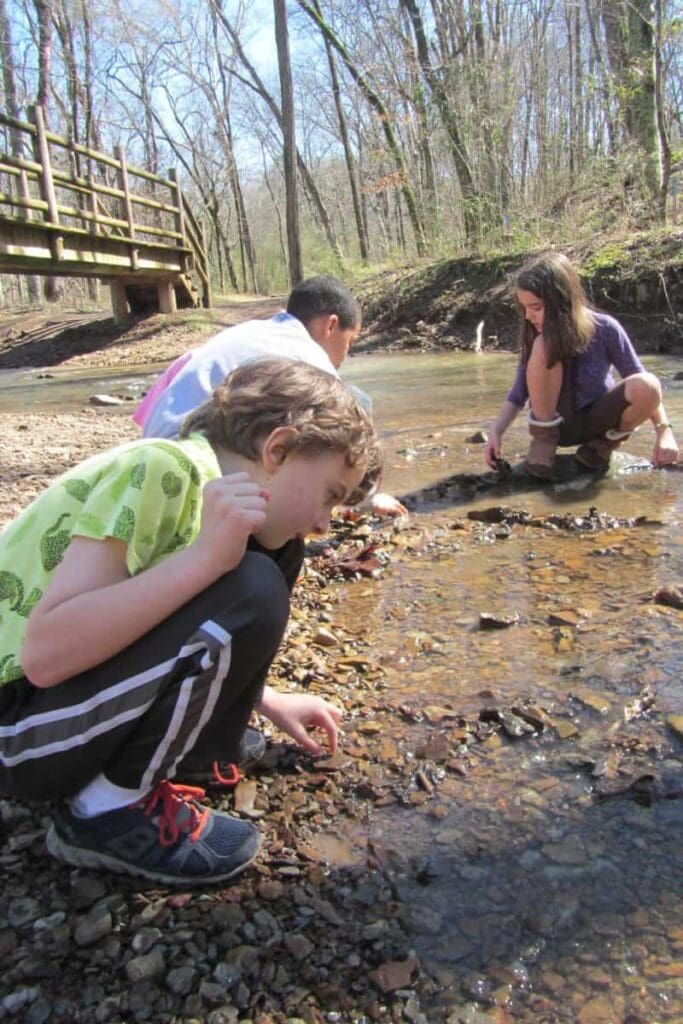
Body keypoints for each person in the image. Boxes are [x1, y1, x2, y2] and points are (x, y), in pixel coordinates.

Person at [0, 359, 381, 886]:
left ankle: (186, 752)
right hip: (18, 728)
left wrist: (263, 701)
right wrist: (204, 560)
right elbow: (43, 656)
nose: (324, 523)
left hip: (55, 712)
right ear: (278, 449)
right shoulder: (163, 470)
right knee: (252, 585)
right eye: (331, 495)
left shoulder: (217, 500)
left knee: (269, 559)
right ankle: (103, 813)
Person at [134, 274, 405, 516]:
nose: (346, 355)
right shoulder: (307, 356)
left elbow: (153, 401)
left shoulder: (249, 332)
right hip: (193, 485)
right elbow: (350, 433)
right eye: (350, 342)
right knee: (355, 403)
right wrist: (366, 496)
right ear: (331, 325)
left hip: (150, 463)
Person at [484, 252, 679, 478]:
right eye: (524, 308)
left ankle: (601, 447)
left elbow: (645, 388)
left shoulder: (606, 328)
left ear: (562, 301)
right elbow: (518, 393)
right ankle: (543, 441)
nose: (528, 316)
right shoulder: (536, 339)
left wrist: (664, 432)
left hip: (600, 423)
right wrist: (496, 432)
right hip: (556, 426)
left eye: (535, 308)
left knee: (649, 383)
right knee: (545, 343)